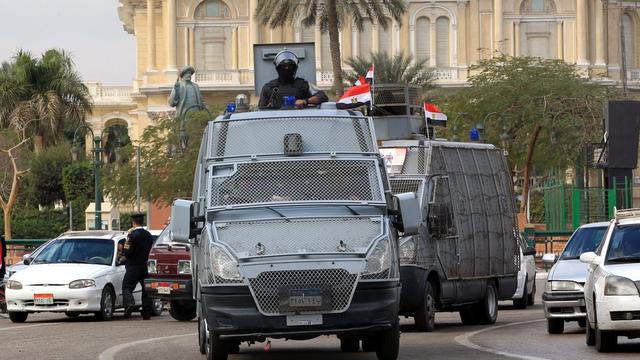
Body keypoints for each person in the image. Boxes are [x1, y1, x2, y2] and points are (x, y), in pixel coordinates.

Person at [258, 50, 328, 110]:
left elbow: (322, 96)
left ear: (294, 68)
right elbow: (261, 110)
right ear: (278, 68)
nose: (287, 68)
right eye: (284, 66)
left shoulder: (304, 85)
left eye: (290, 66)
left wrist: (305, 101)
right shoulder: (269, 87)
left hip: (299, 122)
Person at [122, 213, 154, 319]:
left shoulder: (132, 235)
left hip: (133, 266)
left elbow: (127, 252)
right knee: (146, 289)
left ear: (133, 222)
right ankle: (146, 312)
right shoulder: (148, 235)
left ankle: (129, 304)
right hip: (145, 266)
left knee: (127, 286)